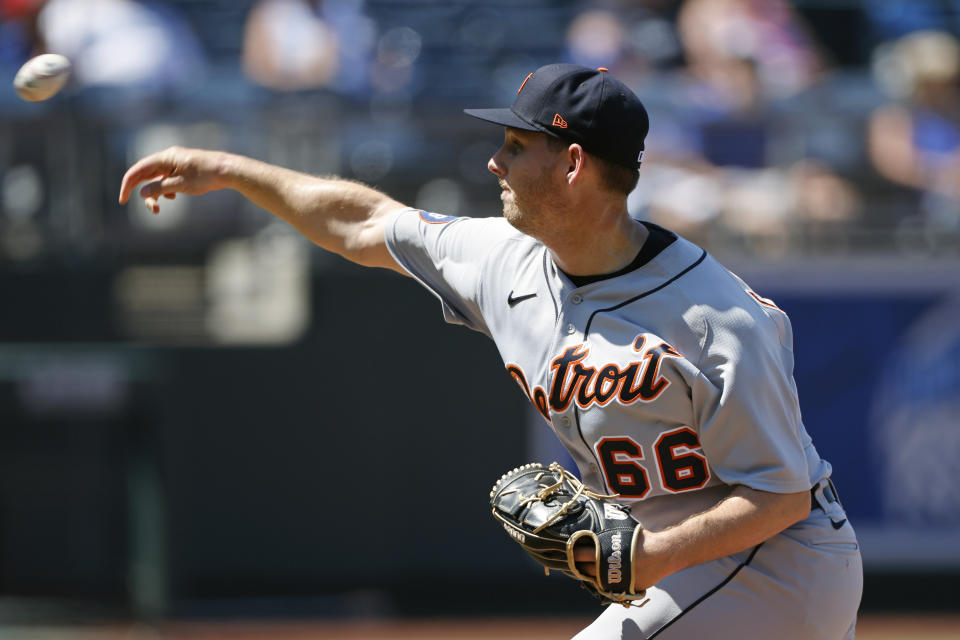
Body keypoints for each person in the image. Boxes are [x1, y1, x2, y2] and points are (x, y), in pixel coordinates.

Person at [119, 64, 863, 639]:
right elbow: (363, 221)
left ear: (573, 164)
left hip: (779, 564)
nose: (493, 164)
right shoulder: (501, 258)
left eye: (516, 146)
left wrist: (649, 557)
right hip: (692, 565)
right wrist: (232, 171)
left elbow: (781, 495)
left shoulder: (718, 317)